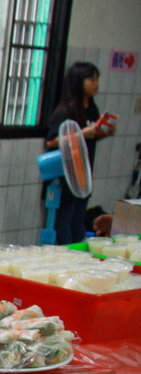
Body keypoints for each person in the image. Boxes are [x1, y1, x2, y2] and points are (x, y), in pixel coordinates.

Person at [45, 61, 114, 245]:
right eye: (91, 79)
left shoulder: (92, 109)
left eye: (97, 79)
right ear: (78, 81)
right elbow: (51, 142)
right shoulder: (65, 111)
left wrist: (101, 134)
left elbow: (86, 140)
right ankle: (68, 258)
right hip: (66, 178)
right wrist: (82, 134)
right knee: (64, 221)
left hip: (84, 176)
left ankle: (78, 256)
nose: (96, 84)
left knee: (78, 221)